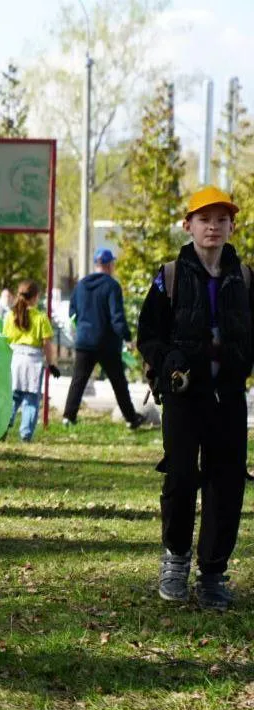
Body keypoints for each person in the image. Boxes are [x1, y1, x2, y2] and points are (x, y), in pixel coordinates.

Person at [138, 186, 251, 612]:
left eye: (222, 220)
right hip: (185, 397)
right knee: (181, 477)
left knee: (227, 483)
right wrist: (169, 362)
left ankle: (213, 572)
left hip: (229, 398)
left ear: (231, 226)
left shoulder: (245, 277)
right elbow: (148, 334)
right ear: (188, 225)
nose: (213, 227)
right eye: (205, 220)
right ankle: (176, 558)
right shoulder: (168, 275)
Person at [62, 248, 146, 428]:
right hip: (107, 344)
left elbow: (72, 312)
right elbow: (117, 317)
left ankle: (68, 417)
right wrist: (127, 337)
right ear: (109, 265)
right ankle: (132, 419)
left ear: (96, 264)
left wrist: (82, 329)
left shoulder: (81, 285)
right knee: (118, 382)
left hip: (84, 341)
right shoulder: (112, 286)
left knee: (79, 380)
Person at [3, 280, 59, 442]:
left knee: (12, 397)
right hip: (33, 361)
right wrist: (52, 364)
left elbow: (4, 339)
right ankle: (26, 434)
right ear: (35, 297)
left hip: (14, 360)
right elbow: (47, 344)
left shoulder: (9, 316)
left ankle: (4, 425)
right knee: (31, 399)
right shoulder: (41, 318)